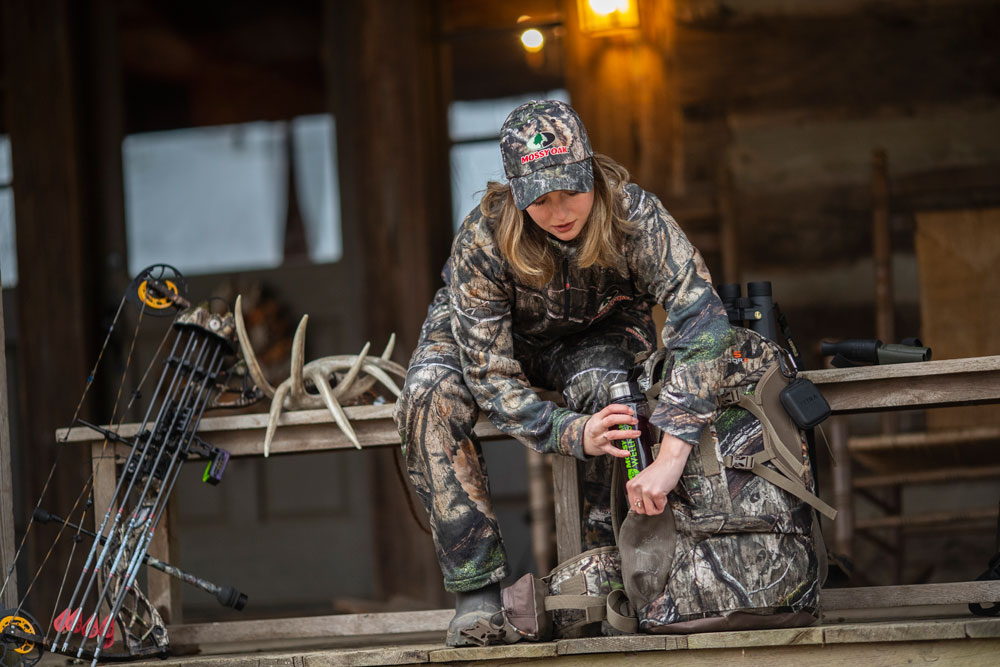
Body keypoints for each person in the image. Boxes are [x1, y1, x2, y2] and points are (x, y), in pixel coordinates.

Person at [393, 100, 734, 646]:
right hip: (490, 337)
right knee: (426, 392)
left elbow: (706, 323)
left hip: (598, 329)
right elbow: (490, 373)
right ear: (514, 193)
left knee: (611, 393)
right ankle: (477, 593)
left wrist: (671, 457)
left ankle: (603, 572)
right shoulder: (481, 239)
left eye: (570, 192)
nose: (559, 211)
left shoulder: (632, 213)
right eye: (540, 199)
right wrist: (569, 431)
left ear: (590, 171)